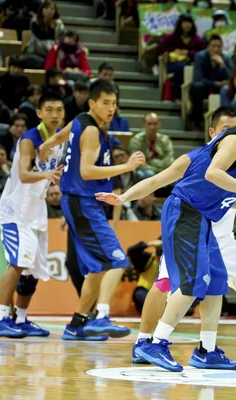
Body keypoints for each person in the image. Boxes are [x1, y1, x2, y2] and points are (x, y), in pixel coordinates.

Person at [96, 85, 236, 372]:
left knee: (216, 282)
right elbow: (214, 174)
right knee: (190, 285)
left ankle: (207, 350)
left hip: (201, 219)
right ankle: (154, 342)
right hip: (186, 213)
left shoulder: (234, 145)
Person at [125, 107, 236, 367]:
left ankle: (210, 349)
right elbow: (157, 181)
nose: (232, 137)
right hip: (187, 221)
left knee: (221, 285)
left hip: (215, 233)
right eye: (226, 131)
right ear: (213, 133)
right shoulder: (198, 158)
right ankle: (147, 342)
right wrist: (124, 197)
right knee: (166, 284)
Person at [39, 79, 146, 340]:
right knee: (118, 260)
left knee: (97, 268)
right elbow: (87, 172)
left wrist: (47, 144)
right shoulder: (91, 131)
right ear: (92, 103)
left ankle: (76, 325)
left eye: (114, 103)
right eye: (105, 103)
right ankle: (101, 317)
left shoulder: (80, 120)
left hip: (80, 201)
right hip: (82, 201)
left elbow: (64, 132)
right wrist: (126, 167)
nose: (111, 109)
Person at [0, 92, 66, 338]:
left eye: (59, 110)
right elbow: (23, 174)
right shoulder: (29, 139)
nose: (55, 114)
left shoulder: (60, 140)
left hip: (36, 210)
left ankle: (20, 319)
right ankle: (0, 318)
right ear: (39, 113)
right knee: (19, 263)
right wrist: (48, 176)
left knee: (33, 269)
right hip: (15, 211)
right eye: (49, 109)